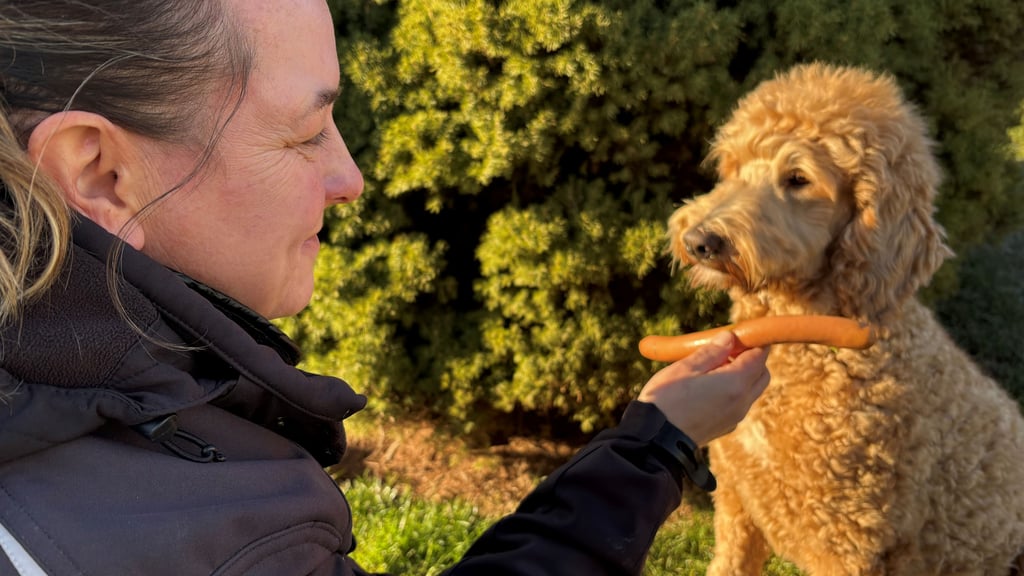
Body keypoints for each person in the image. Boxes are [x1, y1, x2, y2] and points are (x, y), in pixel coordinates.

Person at [0, 1, 770, 574]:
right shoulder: (218, 543)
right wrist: (658, 443)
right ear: (99, 172)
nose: (350, 179)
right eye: (304, 135)